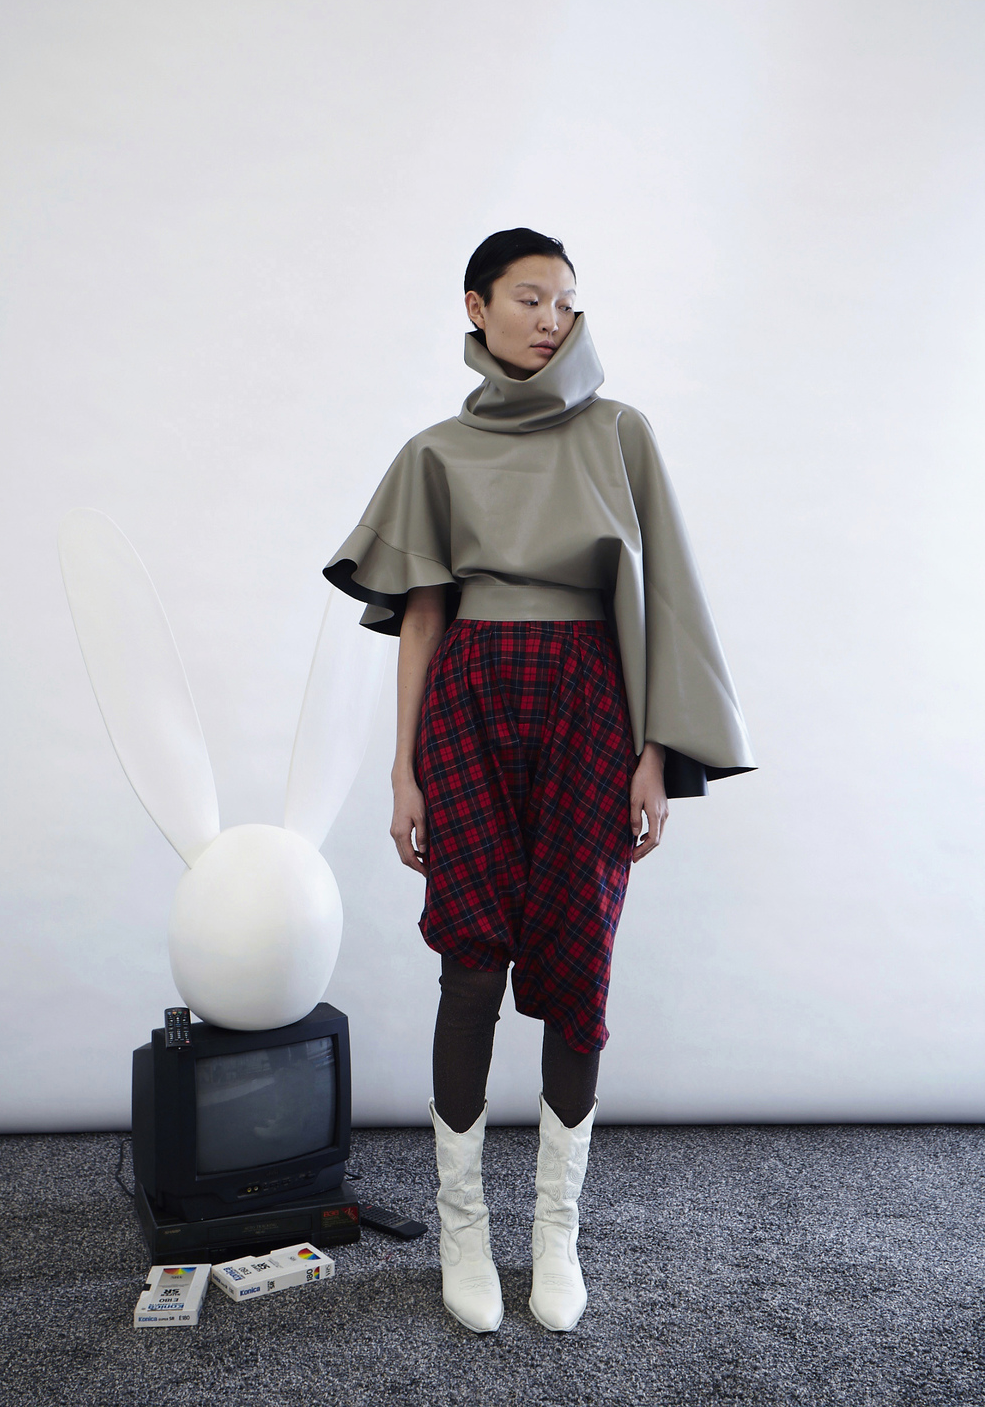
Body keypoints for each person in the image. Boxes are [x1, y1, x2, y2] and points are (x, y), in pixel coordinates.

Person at [323, 228, 755, 1335]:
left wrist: (655, 749)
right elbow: (421, 619)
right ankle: (463, 1232)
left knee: (578, 959)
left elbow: (661, 593)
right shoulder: (434, 453)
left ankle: (553, 1235)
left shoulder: (620, 433)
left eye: (566, 300)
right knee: (470, 963)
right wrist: (403, 770)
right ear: (476, 307)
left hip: (590, 704)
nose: (552, 319)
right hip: (468, 702)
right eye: (529, 298)